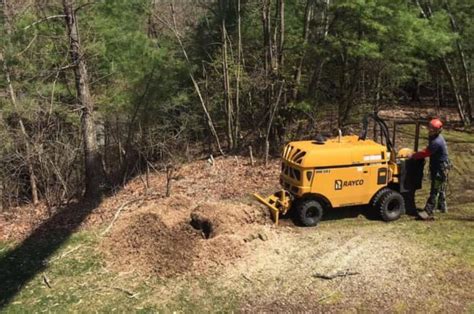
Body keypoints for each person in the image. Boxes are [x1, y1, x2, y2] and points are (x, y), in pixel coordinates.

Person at [411, 118, 450, 218]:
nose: (430, 130)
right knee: (439, 186)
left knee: (435, 189)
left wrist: (413, 156)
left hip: (440, 168)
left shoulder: (436, 141)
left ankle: (428, 211)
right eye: (430, 128)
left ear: (437, 130)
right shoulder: (434, 137)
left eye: (432, 129)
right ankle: (442, 207)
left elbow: (426, 153)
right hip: (437, 166)